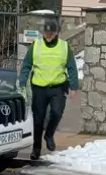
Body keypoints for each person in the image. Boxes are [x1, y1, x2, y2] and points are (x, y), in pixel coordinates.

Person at [18, 19, 79, 160]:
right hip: (39, 88)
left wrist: (74, 86)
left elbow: (72, 67)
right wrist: (22, 80)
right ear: (43, 33)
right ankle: (36, 149)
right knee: (38, 120)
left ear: (56, 32)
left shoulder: (64, 46)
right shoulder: (36, 46)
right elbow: (27, 64)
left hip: (58, 87)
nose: (49, 35)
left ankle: (49, 134)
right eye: (47, 32)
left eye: (51, 33)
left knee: (57, 113)